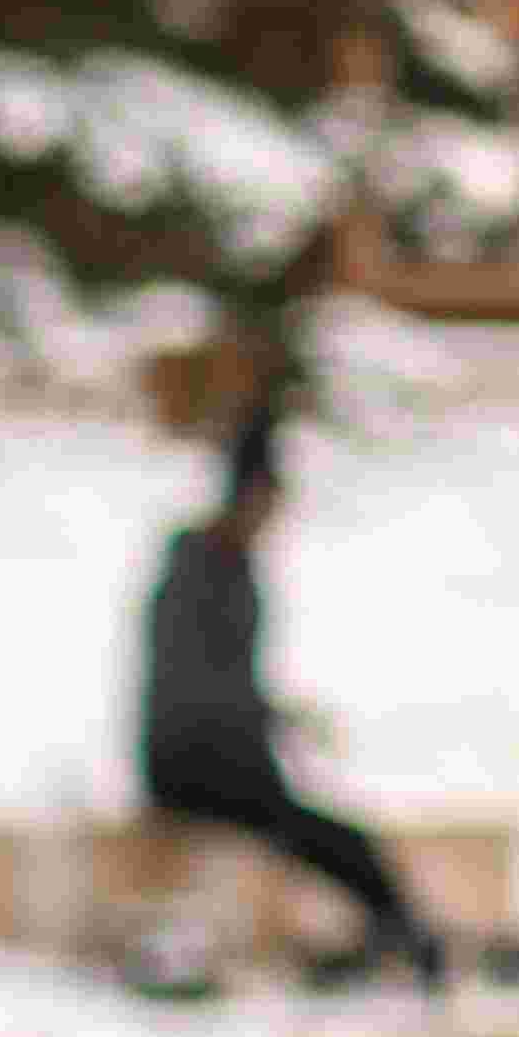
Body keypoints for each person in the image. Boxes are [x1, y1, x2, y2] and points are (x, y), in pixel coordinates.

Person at [138, 386, 446, 989]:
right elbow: (194, 687)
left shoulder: (234, 568)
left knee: (334, 835)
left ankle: (396, 931)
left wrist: (277, 720)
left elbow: (230, 683)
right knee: (329, 837)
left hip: (229, 757)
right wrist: (263, 725)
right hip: (191, 763)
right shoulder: (199, 566)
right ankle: (402, 935)